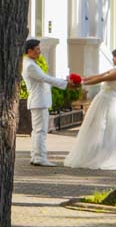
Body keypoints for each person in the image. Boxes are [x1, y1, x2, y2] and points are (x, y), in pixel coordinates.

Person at [64, 47, 116, 170]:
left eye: (115, 57)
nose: (113, 59)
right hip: (103, 99)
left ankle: (105, 155)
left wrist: (82, 84)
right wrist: (82, 79)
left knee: (106, 130)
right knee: (95, 127)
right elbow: (99, 75)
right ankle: (97, 152)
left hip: (109, 101)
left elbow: (101, 79)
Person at [22, 39, 78, 167]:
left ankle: (36, 156)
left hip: (39, 101)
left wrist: (64, 81)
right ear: (29, 51)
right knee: (40, 131)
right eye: (37, 49)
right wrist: (65, 84)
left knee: (38, 131)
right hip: (39, 101)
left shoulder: (30, 63)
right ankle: (39, 157)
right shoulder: (30, 65)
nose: (39, 51)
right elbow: (45, 78)